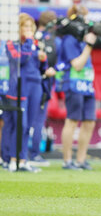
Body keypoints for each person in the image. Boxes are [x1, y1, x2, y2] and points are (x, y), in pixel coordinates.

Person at [5, 13, 53, 172]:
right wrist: (30, 44)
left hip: (35, 86)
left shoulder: (36, 44)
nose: (28, 30)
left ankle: (24, 160)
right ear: (18, 28)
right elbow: (20, 60)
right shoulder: (12, 44)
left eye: (30, 27)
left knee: (28, 127)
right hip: (19, 88)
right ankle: (13, 159)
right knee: (20, 125)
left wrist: (43, 59)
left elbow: (41, 68)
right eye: (25, 26)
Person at [59, 5, 97, 170]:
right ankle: (67, 160)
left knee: (89, 122)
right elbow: (77, 65)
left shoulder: (82, 39)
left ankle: (81, 160)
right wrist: (89, 45)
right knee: (72, 120)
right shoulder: (69, 40)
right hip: (73, 83)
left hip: (87, 84)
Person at [28, 10, 61, 167]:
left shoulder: (32, 37)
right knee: (37, 120)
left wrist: (53, 69)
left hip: (33, 82)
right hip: (42, 84)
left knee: (28, 119)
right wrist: (53, 69)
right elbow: (63, 62)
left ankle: (23, 154)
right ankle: (33, 154)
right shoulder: (54, 40)